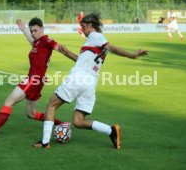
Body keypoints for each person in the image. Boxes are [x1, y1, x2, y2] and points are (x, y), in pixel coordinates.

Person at [33, 13, 148, 149]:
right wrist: (67, 52)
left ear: (90, 25)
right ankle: (111, 131)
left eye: (83, 27)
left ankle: (45, 142)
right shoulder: (94, 42)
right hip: (89, 83)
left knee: (51, 105)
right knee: (78, 121)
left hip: (78, 78)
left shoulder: (95, 36)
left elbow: (113, 48)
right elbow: (81, 61)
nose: (82, 30)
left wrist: (133, 55)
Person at [0, 18, 77, 138]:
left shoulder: (46, 40)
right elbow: (32, 41)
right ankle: (62, 123)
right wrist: (23, 30)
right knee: (31, 114)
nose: (33, 33)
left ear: (42, 29)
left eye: (35, 30)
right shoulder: (38, 42)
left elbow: (61, 49)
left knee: (9, 102)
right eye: (31, 31)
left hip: (33, 80)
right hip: (37, 81)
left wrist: (79, 60)